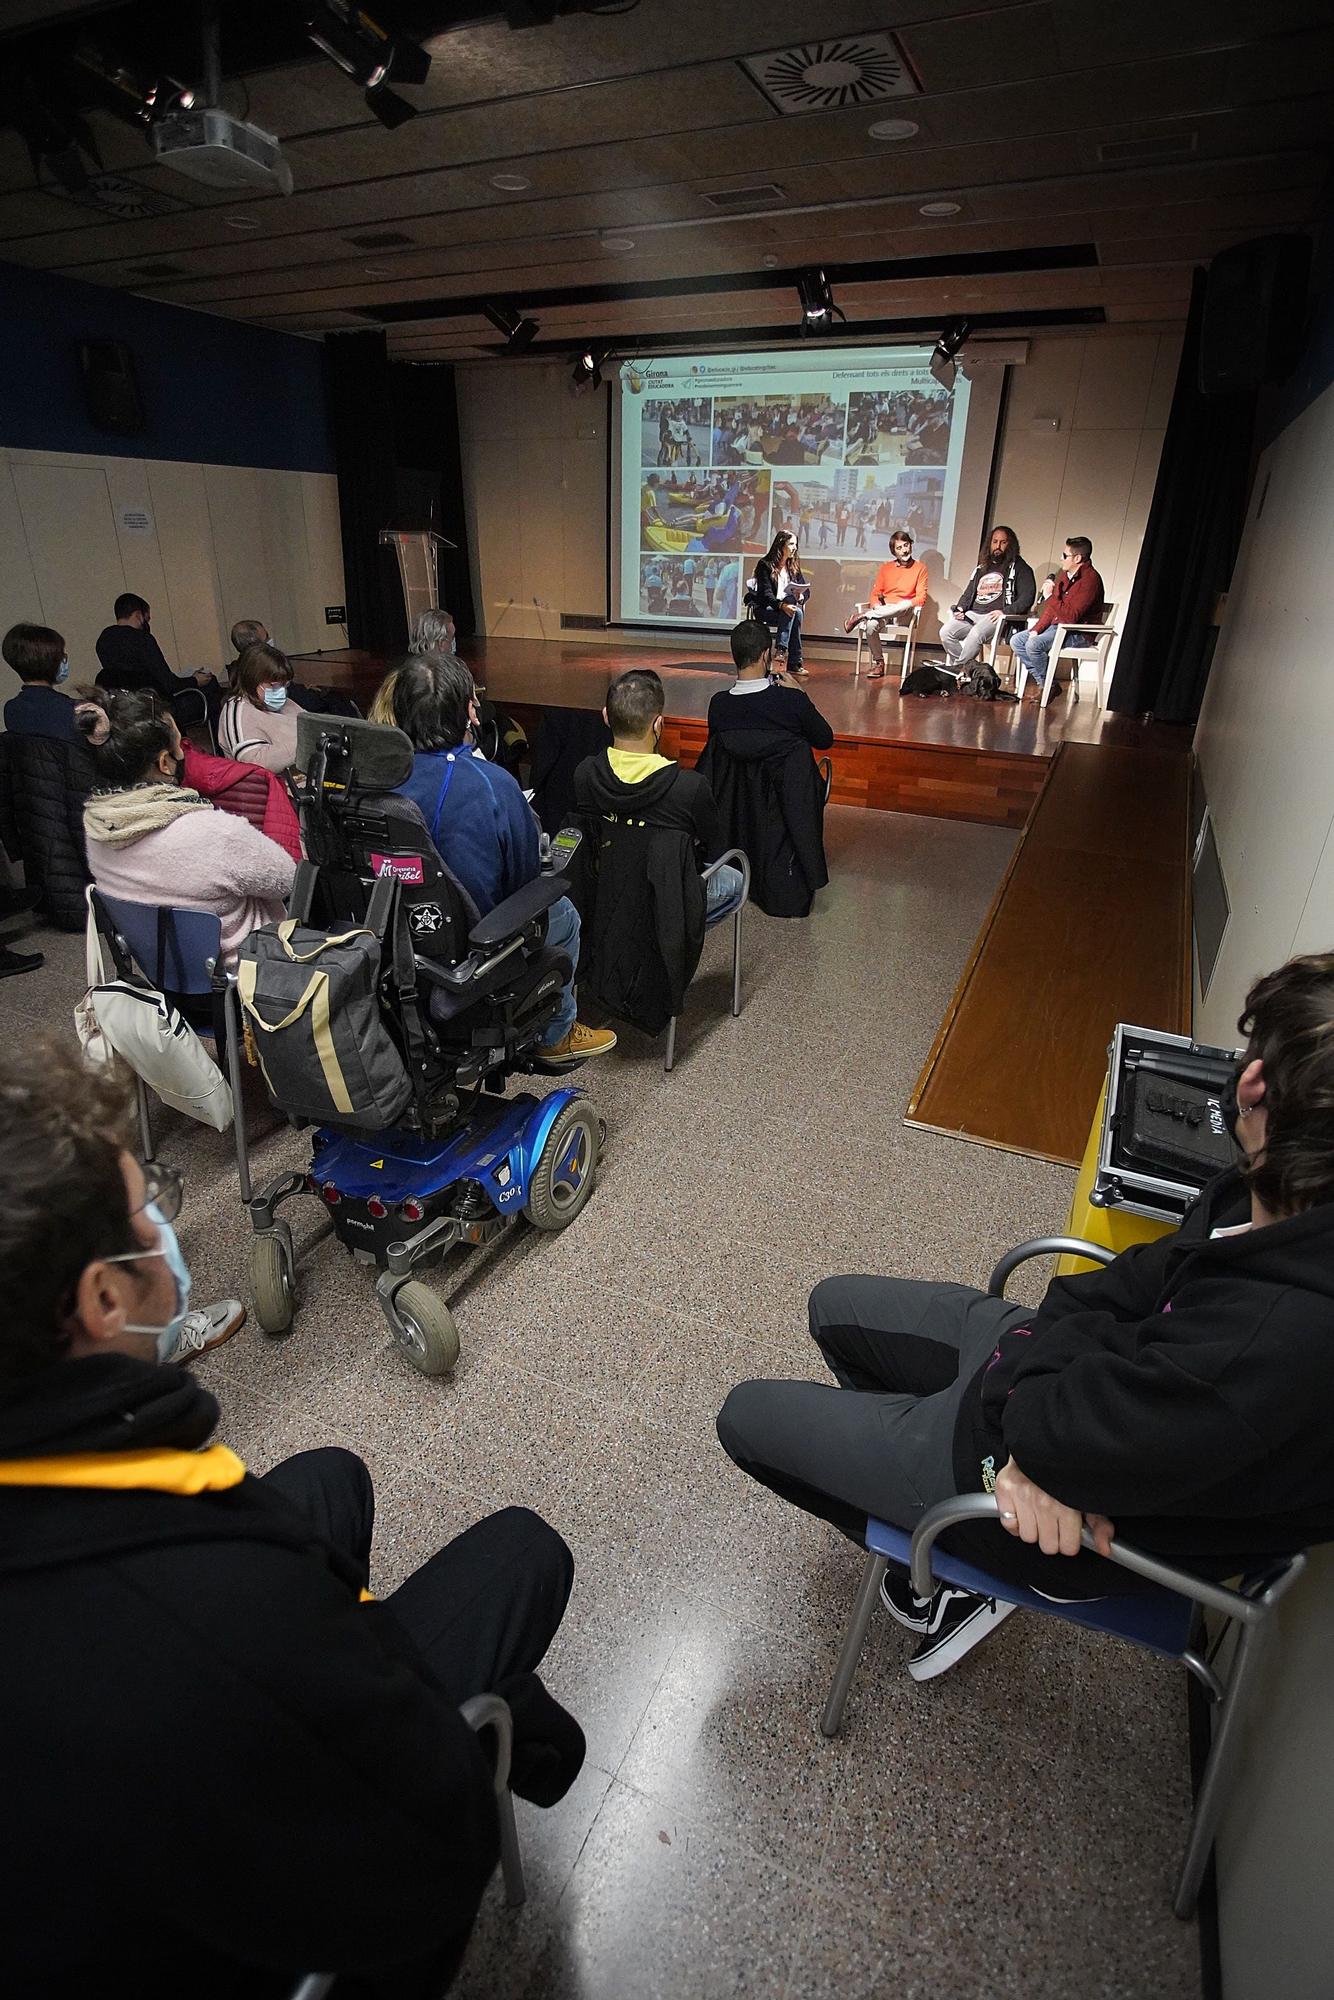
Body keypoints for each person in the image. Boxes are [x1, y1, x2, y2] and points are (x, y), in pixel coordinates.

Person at [0, 1039, 585, 1997]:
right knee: (524, 1550)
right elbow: (426, 1851)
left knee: (330, 1477)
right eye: (146, 1210)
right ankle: (534, 1743)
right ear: (102, 1300)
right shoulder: (202, 1598)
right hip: (307, 1912)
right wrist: (384, 1666)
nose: (164, 1225)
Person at [718, 949, 1334, 1681]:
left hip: (1028, 1489)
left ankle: (943, 1562)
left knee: (743, 1418)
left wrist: (1039, 1416)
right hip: (1048, 1403)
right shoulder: (1265, 1202)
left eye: (1251, 1051)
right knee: (833, 1306)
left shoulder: (1266, 1349)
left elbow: (1051, 1413)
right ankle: (925, 1507)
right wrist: (1046, 1381)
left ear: (1258, 1085)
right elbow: (1101, 1291)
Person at [385, 653, 616, 1068]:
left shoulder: (377, 777)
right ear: (466, 715)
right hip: (472, 943)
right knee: (563, 914)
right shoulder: (493, 785)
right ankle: (556, 1033)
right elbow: (526, 878)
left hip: (393, 936)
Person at [77, 689, 295, 965]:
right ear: (165, 763)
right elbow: (286, 878)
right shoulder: (212, 830)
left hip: (162, 971)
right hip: (248, 975)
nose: (185, 754)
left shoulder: (96, 826)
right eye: (181, 745)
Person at [575, 668, 742, 917]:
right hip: (667, 893)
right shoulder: (690, 787)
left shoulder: (585, 773)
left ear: (606, 717)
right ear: (659, 724)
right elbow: (711, 840)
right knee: (735, 881)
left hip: (607, 884)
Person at [95, 593, 224, 733]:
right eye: (147, 618)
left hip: (127, 712)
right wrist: (194, 680)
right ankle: (220, 747)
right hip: (159, 710)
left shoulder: (103, 641)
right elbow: (169, 684)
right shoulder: (143, 640)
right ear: (138, 615)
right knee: (211, 684)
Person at [1010, 536, 1105, 697]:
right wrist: (1037, 629)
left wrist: (1049, 597)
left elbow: (1071, 617)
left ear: (1077, 558)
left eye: (1065, 555)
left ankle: (1046, 686)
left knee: (1034, 645)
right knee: (1017, 641)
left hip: (1077, 632)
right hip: (1058, 627)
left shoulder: (1090, 580)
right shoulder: (1064, 575)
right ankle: (1048, 684)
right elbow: (1053, 609)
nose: (1061, 559)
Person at [940, 526, 1037, 675]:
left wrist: (1004, 612)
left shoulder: (1020, 568)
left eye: (1003, 542)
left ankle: (959, 669)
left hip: (997, 616)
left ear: (1010, 545)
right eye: (995, 542)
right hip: (974, 613)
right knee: (946, 632)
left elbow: (1027, 598)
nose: (997, 546)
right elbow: (968, 593)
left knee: (976, 633)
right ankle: (967, 669)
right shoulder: (982, 567)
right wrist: (960, 609)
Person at [846, 529, 928, 680]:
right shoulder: (886, 568)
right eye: (899, 548)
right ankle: (879, 663)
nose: (904, 550)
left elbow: (921, 598)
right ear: (893, 552)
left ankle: (862, 615)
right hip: (884, 611)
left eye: (906, 545)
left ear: (911, 545)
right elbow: (876, 593)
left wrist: (905, 603)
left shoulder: (920, 568)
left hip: (904, 614)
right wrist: (876, 606)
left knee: (904, 604)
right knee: (870, 626)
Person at [219, 642, 300, 775]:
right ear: (252, 679)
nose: (281, 691)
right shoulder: (238, 710)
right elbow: (254, 763)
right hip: (277, 789)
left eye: (285, 685)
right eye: (275, 685)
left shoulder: (287, 704)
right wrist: (307, 744)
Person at [2, 621, 81, 742]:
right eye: (62, 656)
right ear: (52, 662)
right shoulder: (71, 710)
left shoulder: (11, 710)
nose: (64, 661)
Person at [750, 530, 809, 677]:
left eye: (796, 544)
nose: (794, 548)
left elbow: (806, 590)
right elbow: (766, 595)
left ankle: (782, 649)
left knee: (794, 609)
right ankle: (794, 662)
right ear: (781, 545)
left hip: (787, 610)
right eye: (791, 544)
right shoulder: (765, 565)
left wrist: (800, 596)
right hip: (767, 608)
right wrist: (782, 606)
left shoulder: (793, 566)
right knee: (795, 612)